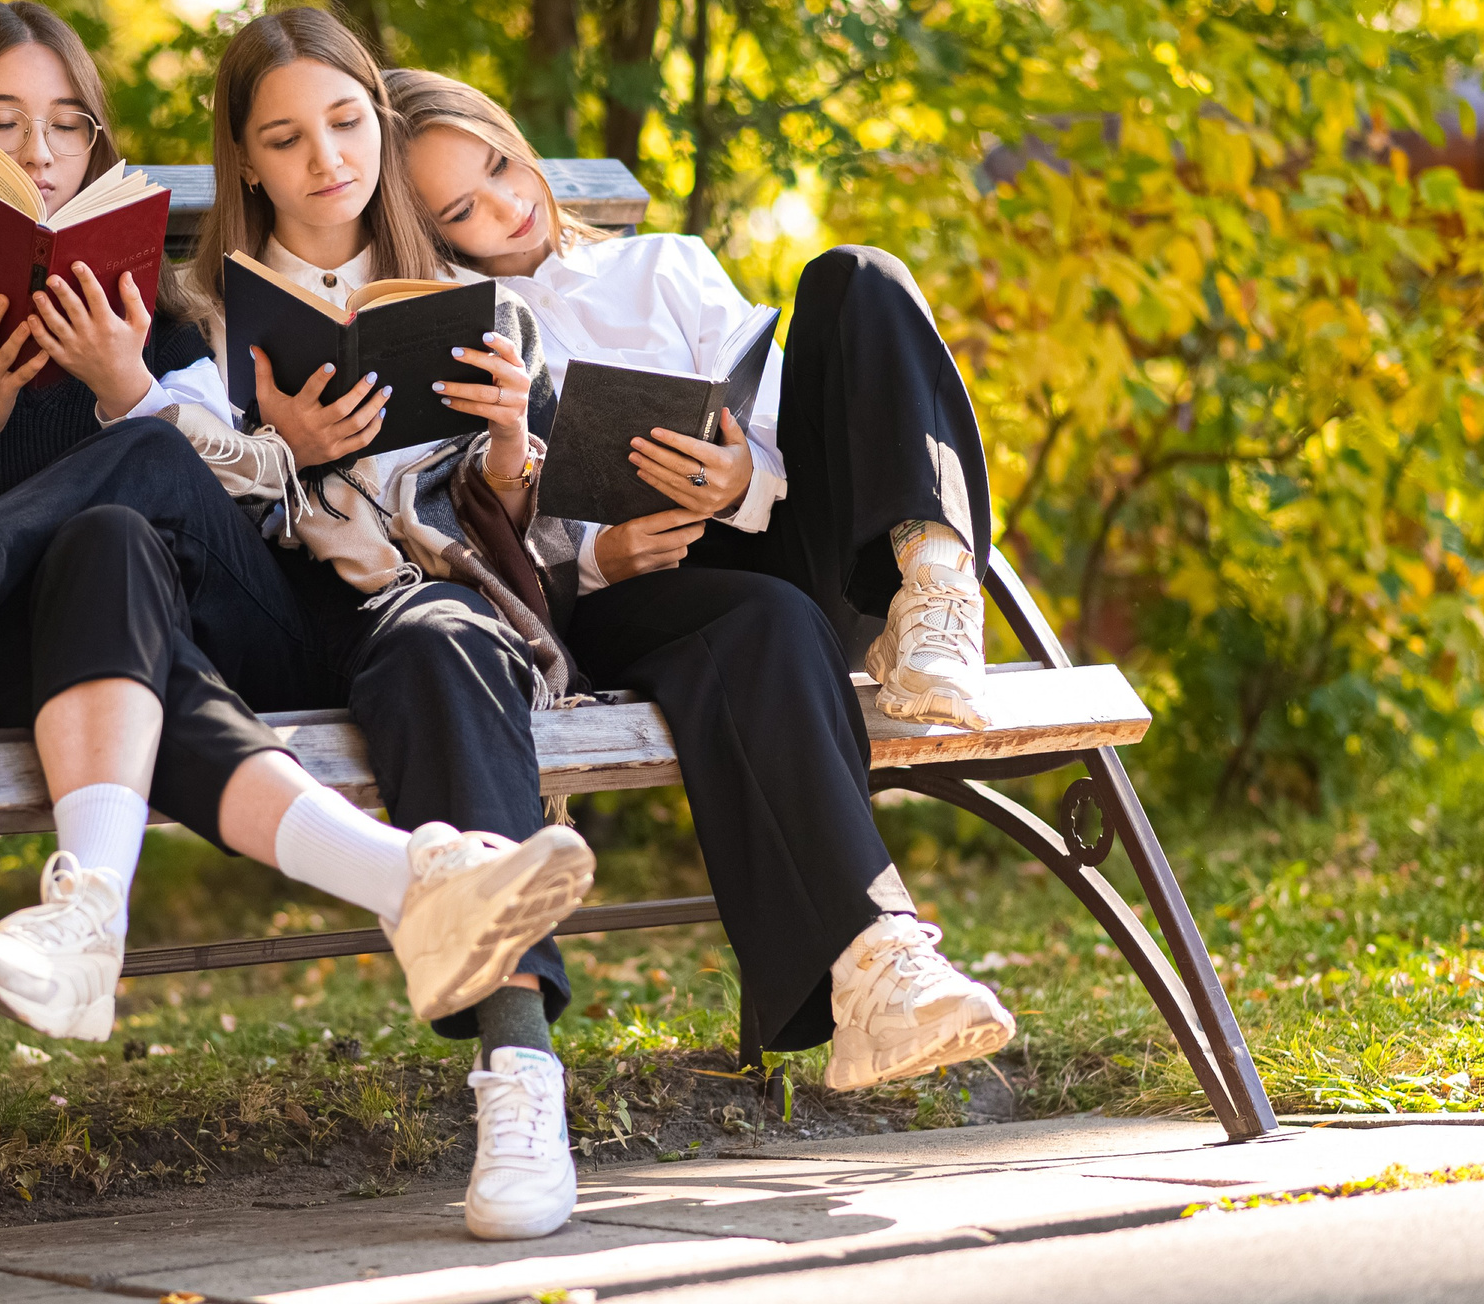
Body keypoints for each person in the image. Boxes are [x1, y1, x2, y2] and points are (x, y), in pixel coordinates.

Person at [0, 1, 593, 1067]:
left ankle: (87, 910)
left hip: (101, 645)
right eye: (0, 122)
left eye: (67, 124)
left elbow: (210, 496)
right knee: (142, 480)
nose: (39, 152)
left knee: (121, 507)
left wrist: (125, 386)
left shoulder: (145, 298)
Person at [381, 67, 1017, 1095]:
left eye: (500, 167)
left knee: (855, 276)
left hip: (766, 539)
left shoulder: (664, 265)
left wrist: (738, 477)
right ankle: (878, 968)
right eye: (463, 208)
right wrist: (603, 555)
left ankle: (934, 584)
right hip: (625, 599)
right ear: (431, 233)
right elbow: (471, 534)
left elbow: (770, 427)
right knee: (757, 623)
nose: (504, 204)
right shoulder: (457, 333)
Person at [163, 7, 596, 1241]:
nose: (326, 160)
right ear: (245, 161)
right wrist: (273, 448)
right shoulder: (196, 315)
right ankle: (513, 1053)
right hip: (260, 620)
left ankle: (519, 1073)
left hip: (410, 602)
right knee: (401, 617)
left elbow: (532, 535)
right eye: (285, 139)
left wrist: (515, 443)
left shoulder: (478, 300)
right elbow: (162, 501)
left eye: (346, 123)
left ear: (377, 121)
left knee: (443, 640)